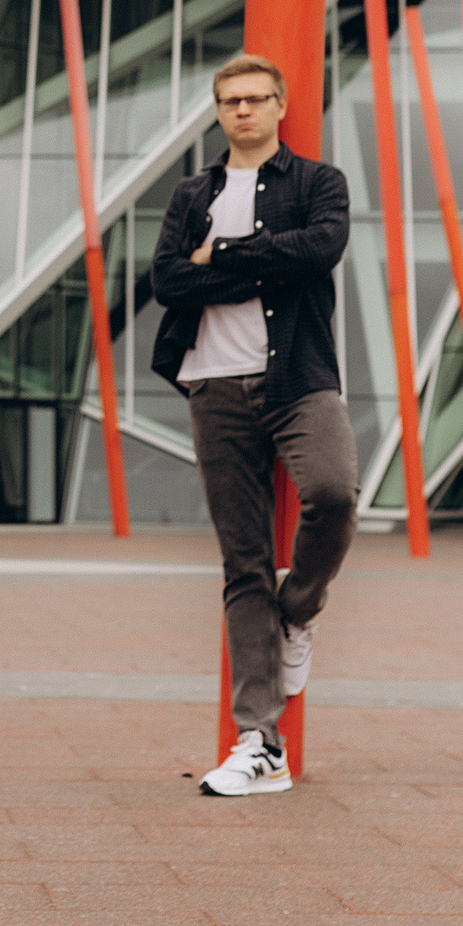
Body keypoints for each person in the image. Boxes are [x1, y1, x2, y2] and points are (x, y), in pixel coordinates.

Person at [150, 51, 358, 799]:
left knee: (333, 493)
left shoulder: (318, 184)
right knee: (243, 563)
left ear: (280, 106)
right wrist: (265, 264)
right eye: (230, 100)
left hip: (299, 377)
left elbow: (320, 249)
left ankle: (298, 610)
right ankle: (259, 744)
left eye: (256, 98)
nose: (242, 110)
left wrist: (226, 256)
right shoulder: (191, 193)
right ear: (218, 111)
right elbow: (168, 278)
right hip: (212, 384)